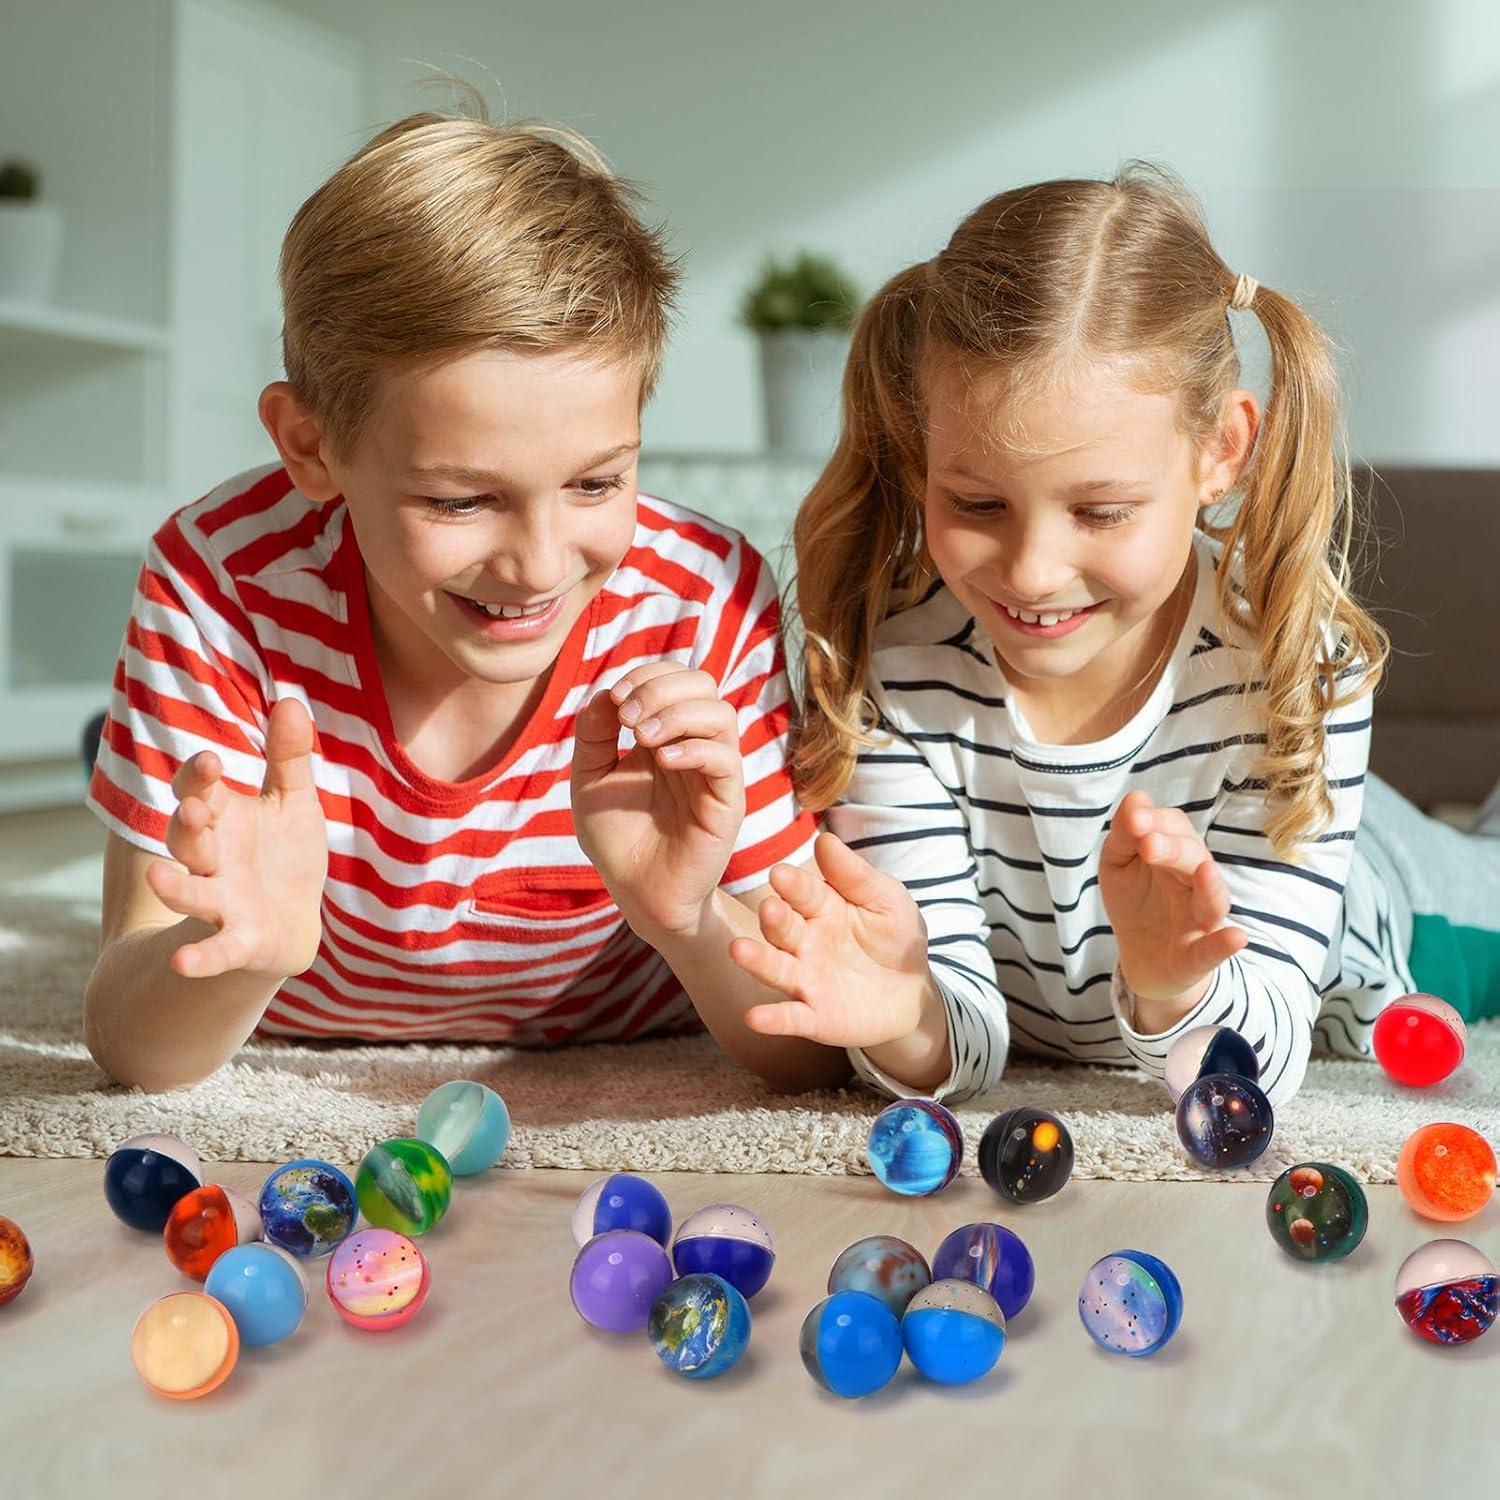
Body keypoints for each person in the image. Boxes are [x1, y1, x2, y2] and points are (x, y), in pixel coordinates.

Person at [83, 104, 854, 1097]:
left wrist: (687, 919)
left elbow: (812, 1044)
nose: (538, 565)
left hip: (627, 1026)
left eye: (595, 483)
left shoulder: (699, 601)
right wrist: (240, 954)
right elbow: (128, 1043)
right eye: (459, 500)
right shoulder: (218, 580)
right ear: (312, 447)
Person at [728, 163, 1500, 1107]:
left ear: (1220, 450)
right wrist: (903, 1015)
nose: (1031, 573)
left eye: (1100, 512)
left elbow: (1260, 1062)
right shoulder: (894, 667)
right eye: (977, 504)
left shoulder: (1296, 672)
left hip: (1398, 908)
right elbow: (956, 1027)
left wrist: (1174, 983)